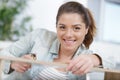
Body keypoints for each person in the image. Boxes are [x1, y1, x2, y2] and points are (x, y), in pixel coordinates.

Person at [0, 1, 112, 80]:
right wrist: (13, 63)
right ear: (56, 26)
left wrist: (95, 59)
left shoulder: (85, 56)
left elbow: (111, 61)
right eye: (62, 27)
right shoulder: (39, 36)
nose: (68, 35)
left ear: (86, 29)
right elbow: (3, 54)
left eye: (76, 28)